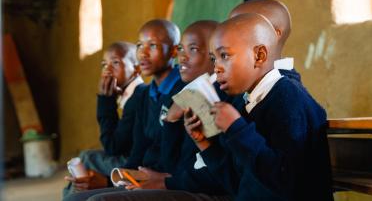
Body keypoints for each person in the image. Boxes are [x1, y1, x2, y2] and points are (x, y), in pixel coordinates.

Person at [185, 13, 333, 200]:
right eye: (214, 59)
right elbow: (239, 184)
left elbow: (285, 182)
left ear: (259, 55)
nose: (217, 68)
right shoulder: (251, 102)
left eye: (224, 55)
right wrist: (205, 144)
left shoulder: (288, 98)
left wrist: (237, 129)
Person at [64, 19, 186, 201]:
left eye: (152, 45)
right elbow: (138, 149)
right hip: (142, 174)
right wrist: (112, 182)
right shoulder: (146, 95)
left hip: (166, 178)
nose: (143, 53)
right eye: (139, 45)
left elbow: (115, 146)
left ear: (175, 51)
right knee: (74, 198)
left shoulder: (182, 90)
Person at [63, 42, 145, 197]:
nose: (107, 70)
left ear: (136, 68)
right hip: (128, 157)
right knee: (86, 158)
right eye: (104, 64)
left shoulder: (137, 96)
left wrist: (105, 100)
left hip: (135, 164)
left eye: (115, 62)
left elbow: (112, 146)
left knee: (88, 158)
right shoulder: (130, 95)